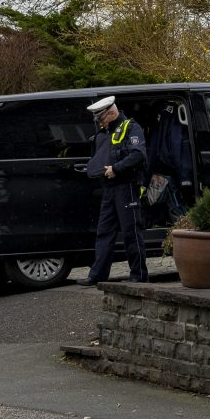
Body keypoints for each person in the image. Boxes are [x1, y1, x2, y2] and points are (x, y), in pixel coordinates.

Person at [84, 95, 150, 286]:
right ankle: (97, 276)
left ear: (111, 113)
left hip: (127, 187)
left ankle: (138, 275)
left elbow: (138, 154)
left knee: (131, 232)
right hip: (109, 189)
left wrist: (116, 169)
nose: (100, 123)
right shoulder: (105, 134)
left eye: (101, 118)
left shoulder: (131, 128)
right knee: (104, 232)